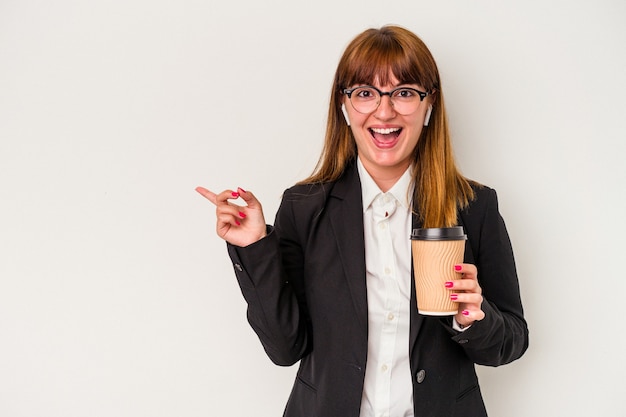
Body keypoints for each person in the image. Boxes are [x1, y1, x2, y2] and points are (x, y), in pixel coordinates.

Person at [196, 25, 528, 417]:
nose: (384, 111)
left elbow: (511, 341)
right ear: (344, 105)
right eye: (365, 93)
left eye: (404, 93)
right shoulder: (304, 207)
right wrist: (254, 245)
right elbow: (285, 348)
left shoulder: (474, 206)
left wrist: (474, 319)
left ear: (429, 104)